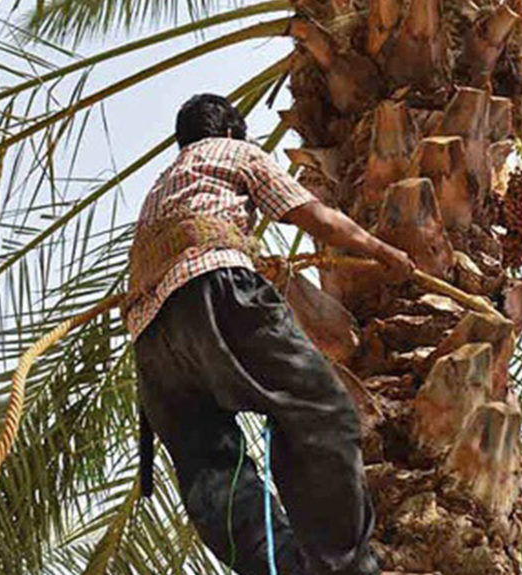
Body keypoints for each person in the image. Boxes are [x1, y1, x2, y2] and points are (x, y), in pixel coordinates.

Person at [125, 94, 414, 575]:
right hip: (217, 292)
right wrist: (383, 252)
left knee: (210, 466)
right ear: (231, 131)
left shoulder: (161, 185)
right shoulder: (234, 151)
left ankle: (277, 566)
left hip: (151, 340)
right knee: (321, 409)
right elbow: (313, 215)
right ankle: (343, 564)